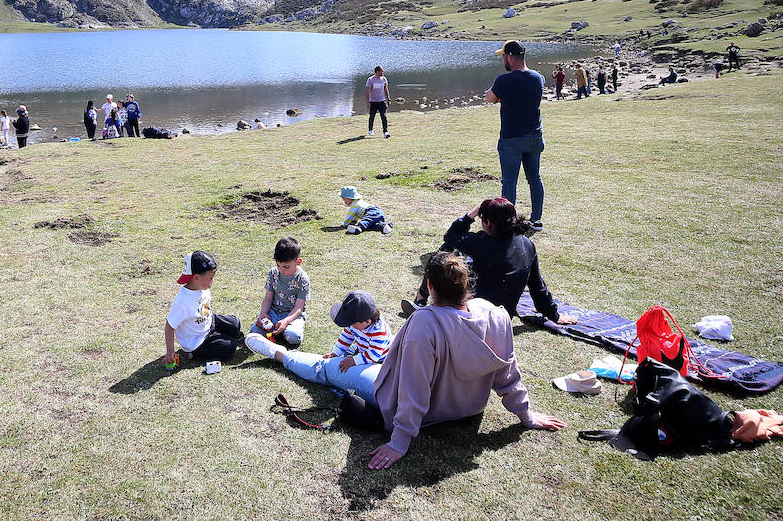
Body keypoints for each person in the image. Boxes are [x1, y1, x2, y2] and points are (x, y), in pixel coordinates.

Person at [365, 251, 565, 471]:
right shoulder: (495, 315)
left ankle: (320, 365)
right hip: (470, 409)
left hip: (425, 414)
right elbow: (508, 376)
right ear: (464, 282)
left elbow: (414, 390)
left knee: (336, 369)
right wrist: (527, 415)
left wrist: (398, 443)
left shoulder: (424, 323)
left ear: (430, 286)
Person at [406, 197, 578, 326]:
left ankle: (421, 300)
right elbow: (537, 285)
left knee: (440, 259)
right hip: (503, 319)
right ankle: (421, 301)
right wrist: (554, 315)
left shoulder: (480, 242)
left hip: (473, 317)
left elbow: (450, 237)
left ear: (487, 222)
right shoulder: (527, 244)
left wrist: (469, 216)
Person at [245, 290, 390, 401]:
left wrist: (354, 361)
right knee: (335, 360)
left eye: (352, 323)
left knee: (333, 367)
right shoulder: (357, 325)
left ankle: (279, 354)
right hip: (363, 351)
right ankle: (281, 354)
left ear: (367, 322)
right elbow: (346, 337)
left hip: (378, 358)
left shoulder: (379, 332)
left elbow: (373, 355)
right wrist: (336, 353)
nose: (350, 326)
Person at [485, 40, 546, 232]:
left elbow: (490, 98)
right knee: (534, 178)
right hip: (535, 136)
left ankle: (507, 223)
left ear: (510, 57)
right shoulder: (538, 78)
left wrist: (503, 96)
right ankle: (536, 220)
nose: (502, 60)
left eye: (503, 57)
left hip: (511, 139)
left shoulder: (504, 80)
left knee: (509, 181)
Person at [163, 251, 243, 366]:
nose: (213, 281)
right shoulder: (182, 302)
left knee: (235, 323)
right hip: (198, 341)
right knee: (230, 348)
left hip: (208, 322)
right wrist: (170, 351)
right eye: (210, 278)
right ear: (196, 277)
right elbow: (170, 325)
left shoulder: (202, 287)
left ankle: (220, 336)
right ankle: (193, 354)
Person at [249, 237, 310, 347]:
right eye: (278, 265)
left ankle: (282, 330)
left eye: (286, 267)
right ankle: (277, 330)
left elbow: (299, 307)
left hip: (292, 315)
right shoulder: (273, 273)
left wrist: (286, 321)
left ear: (298, 261)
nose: (282, 270)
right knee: (254, 332)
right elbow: (268, 297)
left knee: (293, 337)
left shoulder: (302, 278)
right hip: (273, 312)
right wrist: (263, 314)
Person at [366, 65, 391, 138]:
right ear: (377, 72)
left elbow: (386, 90)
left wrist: (388, 99)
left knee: (384, 116)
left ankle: (385, 132)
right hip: (373, 102)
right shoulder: (370, 80)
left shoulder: (384, 79)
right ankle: (370, 130)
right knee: (372, 116)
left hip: (382, 101)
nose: (383, 72)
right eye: (381, 71)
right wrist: (368, 102)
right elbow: (368, 92)